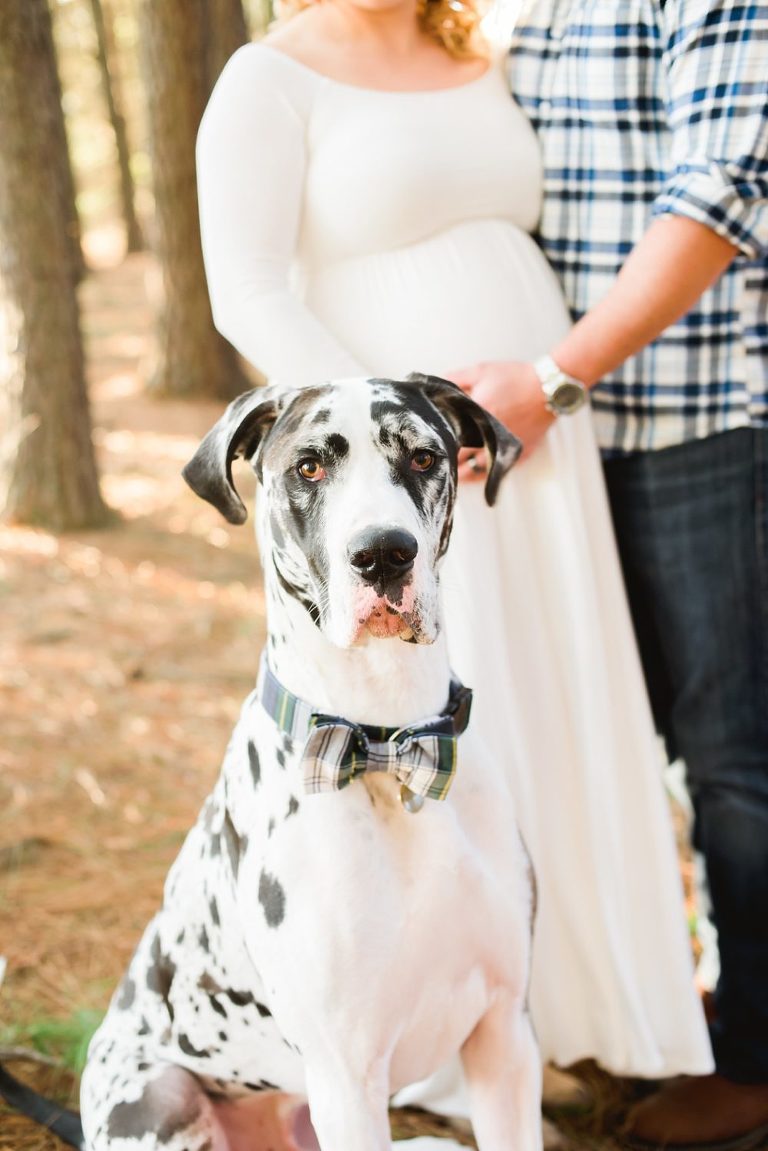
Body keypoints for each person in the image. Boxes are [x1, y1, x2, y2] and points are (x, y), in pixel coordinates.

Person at [194, 0, 713, 1115]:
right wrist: (391, 454)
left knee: (557, 720)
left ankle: (574, 1014)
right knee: (453, 731)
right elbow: (246, 289)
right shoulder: (264, 79)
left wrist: (531, 393)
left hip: (534, 451)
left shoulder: (475, 48)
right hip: (404, 490)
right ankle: (422, 1053)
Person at [453, 1, 767, 1147]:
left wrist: (553, 376)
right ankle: (641, 1014)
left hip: (696, 422)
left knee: (734, 759)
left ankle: (757, 1057)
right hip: (551, 443)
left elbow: (720, 193)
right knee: (581, 740)